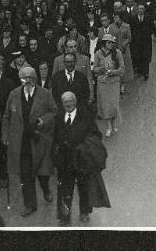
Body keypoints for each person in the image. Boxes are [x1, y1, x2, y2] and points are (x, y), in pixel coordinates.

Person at [2, 66, 57, 217]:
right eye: (24, 78)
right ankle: (30, 205)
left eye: (31, 78)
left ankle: (45, 188)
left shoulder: (45, 94)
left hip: (39, 140)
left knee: (42, 171)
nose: (27, 81)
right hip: (21, 142)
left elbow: (54, 111)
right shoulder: (13, 94)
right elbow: (7, 116)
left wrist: (42, 120)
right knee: (26, 174)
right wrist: (5, 135)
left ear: (35, 79)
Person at [53, 92, 99, 226]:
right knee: (64, 190)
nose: (68, 104)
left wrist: (85, 147)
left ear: (75, 102)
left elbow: (96, 135)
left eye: (70, 102)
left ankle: (84, 211)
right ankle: (64, 217)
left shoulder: (85, 117)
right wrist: (55, 157)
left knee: (83, 187)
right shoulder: (58, 117)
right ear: (62, 104)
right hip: (64, 162)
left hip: (81, 160)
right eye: (65, 102)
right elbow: (54, 138)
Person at [93, 34, 125, 137]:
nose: (110, 44)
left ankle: (114, 122)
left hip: (114, 82)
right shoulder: (98, 53)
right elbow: (94, 69)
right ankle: (109, 126)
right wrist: (101, 70)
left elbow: (122, 68)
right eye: (108, 42)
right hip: (103, 83)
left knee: (114, 104)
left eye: (112, 43)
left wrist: (112, 72)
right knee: (105, 106)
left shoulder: (117, 53)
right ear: (104, 43)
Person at [51, 52, 92, 118]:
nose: (69, 64)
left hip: (78, 113)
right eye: (67, 62)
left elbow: (85, 96)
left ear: (75, 62)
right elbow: (55, 95)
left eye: (72, 62)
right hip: (62, 113)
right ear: (64, 63)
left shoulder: (82, 77)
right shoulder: (56, 77)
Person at [129, 3, 153, 81]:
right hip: (136, 42)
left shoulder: (148, 18)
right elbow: (131, 29)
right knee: (138, 56)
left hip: (146, 41)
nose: (141, 10)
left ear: (144, 10)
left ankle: (146, 73)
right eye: (139, 8)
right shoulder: (133, 18)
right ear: (137, 10)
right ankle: (139, 71)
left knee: (146, 56)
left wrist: (148, 35)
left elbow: (151, 28)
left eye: (142, 9)